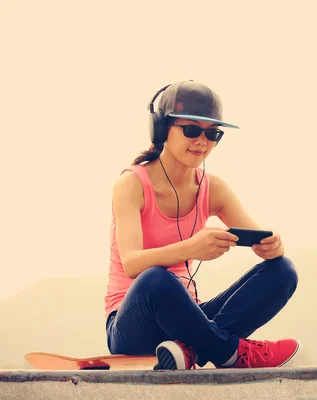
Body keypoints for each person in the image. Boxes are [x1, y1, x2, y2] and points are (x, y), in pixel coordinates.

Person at [104, 80, 301, 370]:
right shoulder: (131, 184)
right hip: (133, 322)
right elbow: (132, 263)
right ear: (160, 129)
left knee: (283, 272)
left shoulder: (214, 189)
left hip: (186, 321)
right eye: (192, 130)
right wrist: (193, 247)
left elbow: (260, 241)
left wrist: (273, 246)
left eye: (213, 134)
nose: (202, 142)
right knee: (156, 279)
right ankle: (229, 352)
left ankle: (190, 351)